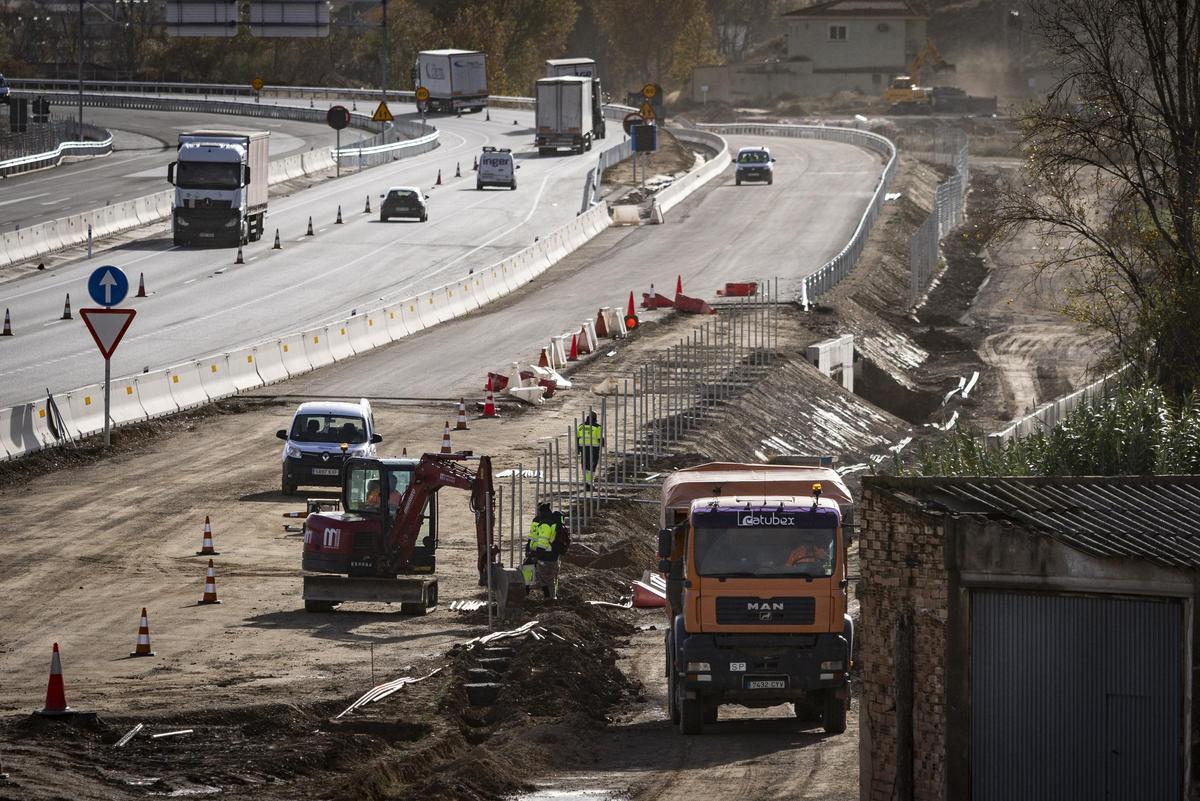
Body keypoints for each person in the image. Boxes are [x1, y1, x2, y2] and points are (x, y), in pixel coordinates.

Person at [522, 501, 570, 600]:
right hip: (546, 554)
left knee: (546, 579)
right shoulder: (545, 521)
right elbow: (533, 536)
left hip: (545, 554)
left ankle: (550, 598)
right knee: (539, 574)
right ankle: (545, 595)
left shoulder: (546, 523)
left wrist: (536, 553)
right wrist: (529, 548)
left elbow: (543, 541)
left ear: (540, 511)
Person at [575, 410, 605, 490]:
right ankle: (590, 483)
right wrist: (603, 444)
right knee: (592, 465)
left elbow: (577, 438)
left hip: (583, 447)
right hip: (594, 448)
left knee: (585, 465)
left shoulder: (581, 426)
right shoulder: (597, 427)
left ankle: (586, 482)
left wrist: (578, 449)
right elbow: (600, 439)